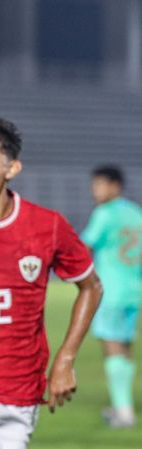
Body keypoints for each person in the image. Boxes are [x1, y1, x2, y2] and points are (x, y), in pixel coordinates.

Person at [0, 113, 103, 449]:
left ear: (12, 169)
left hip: (22, 391)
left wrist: (66, 360)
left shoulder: (47, 225)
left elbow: (91, 286)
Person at [81, 165, 142, 428]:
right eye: (95, 186)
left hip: (111, 290)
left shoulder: (105, 213)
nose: (96, 191)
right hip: (134, 290)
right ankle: (122, 404)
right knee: (124, 348)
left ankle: (124, 411)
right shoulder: (135, 213)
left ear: (115, 186)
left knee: (112, 347)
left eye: (101, 185)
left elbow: (86, 243)